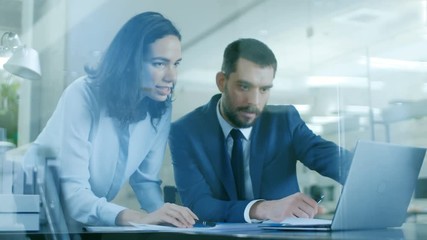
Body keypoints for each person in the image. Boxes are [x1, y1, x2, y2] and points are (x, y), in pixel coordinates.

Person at [24, 12, 198, 227]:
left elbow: (145, 182)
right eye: (160, 64)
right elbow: (73, 193)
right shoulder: (83, 95)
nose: (172, 76)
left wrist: (169, 217)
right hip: (29, 209)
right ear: (130, 62)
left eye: (176, 64)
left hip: (76, 217)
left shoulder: (160, 106)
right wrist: (140, 218)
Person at [169, 38, 352, 223]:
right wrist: (262, 208)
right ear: (222, 81)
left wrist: (370, 176)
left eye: (264, 89)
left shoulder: (284, 122)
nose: (254, 102)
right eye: (244, 87)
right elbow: (198, 205)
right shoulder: (185, 132)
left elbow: (333, 160)